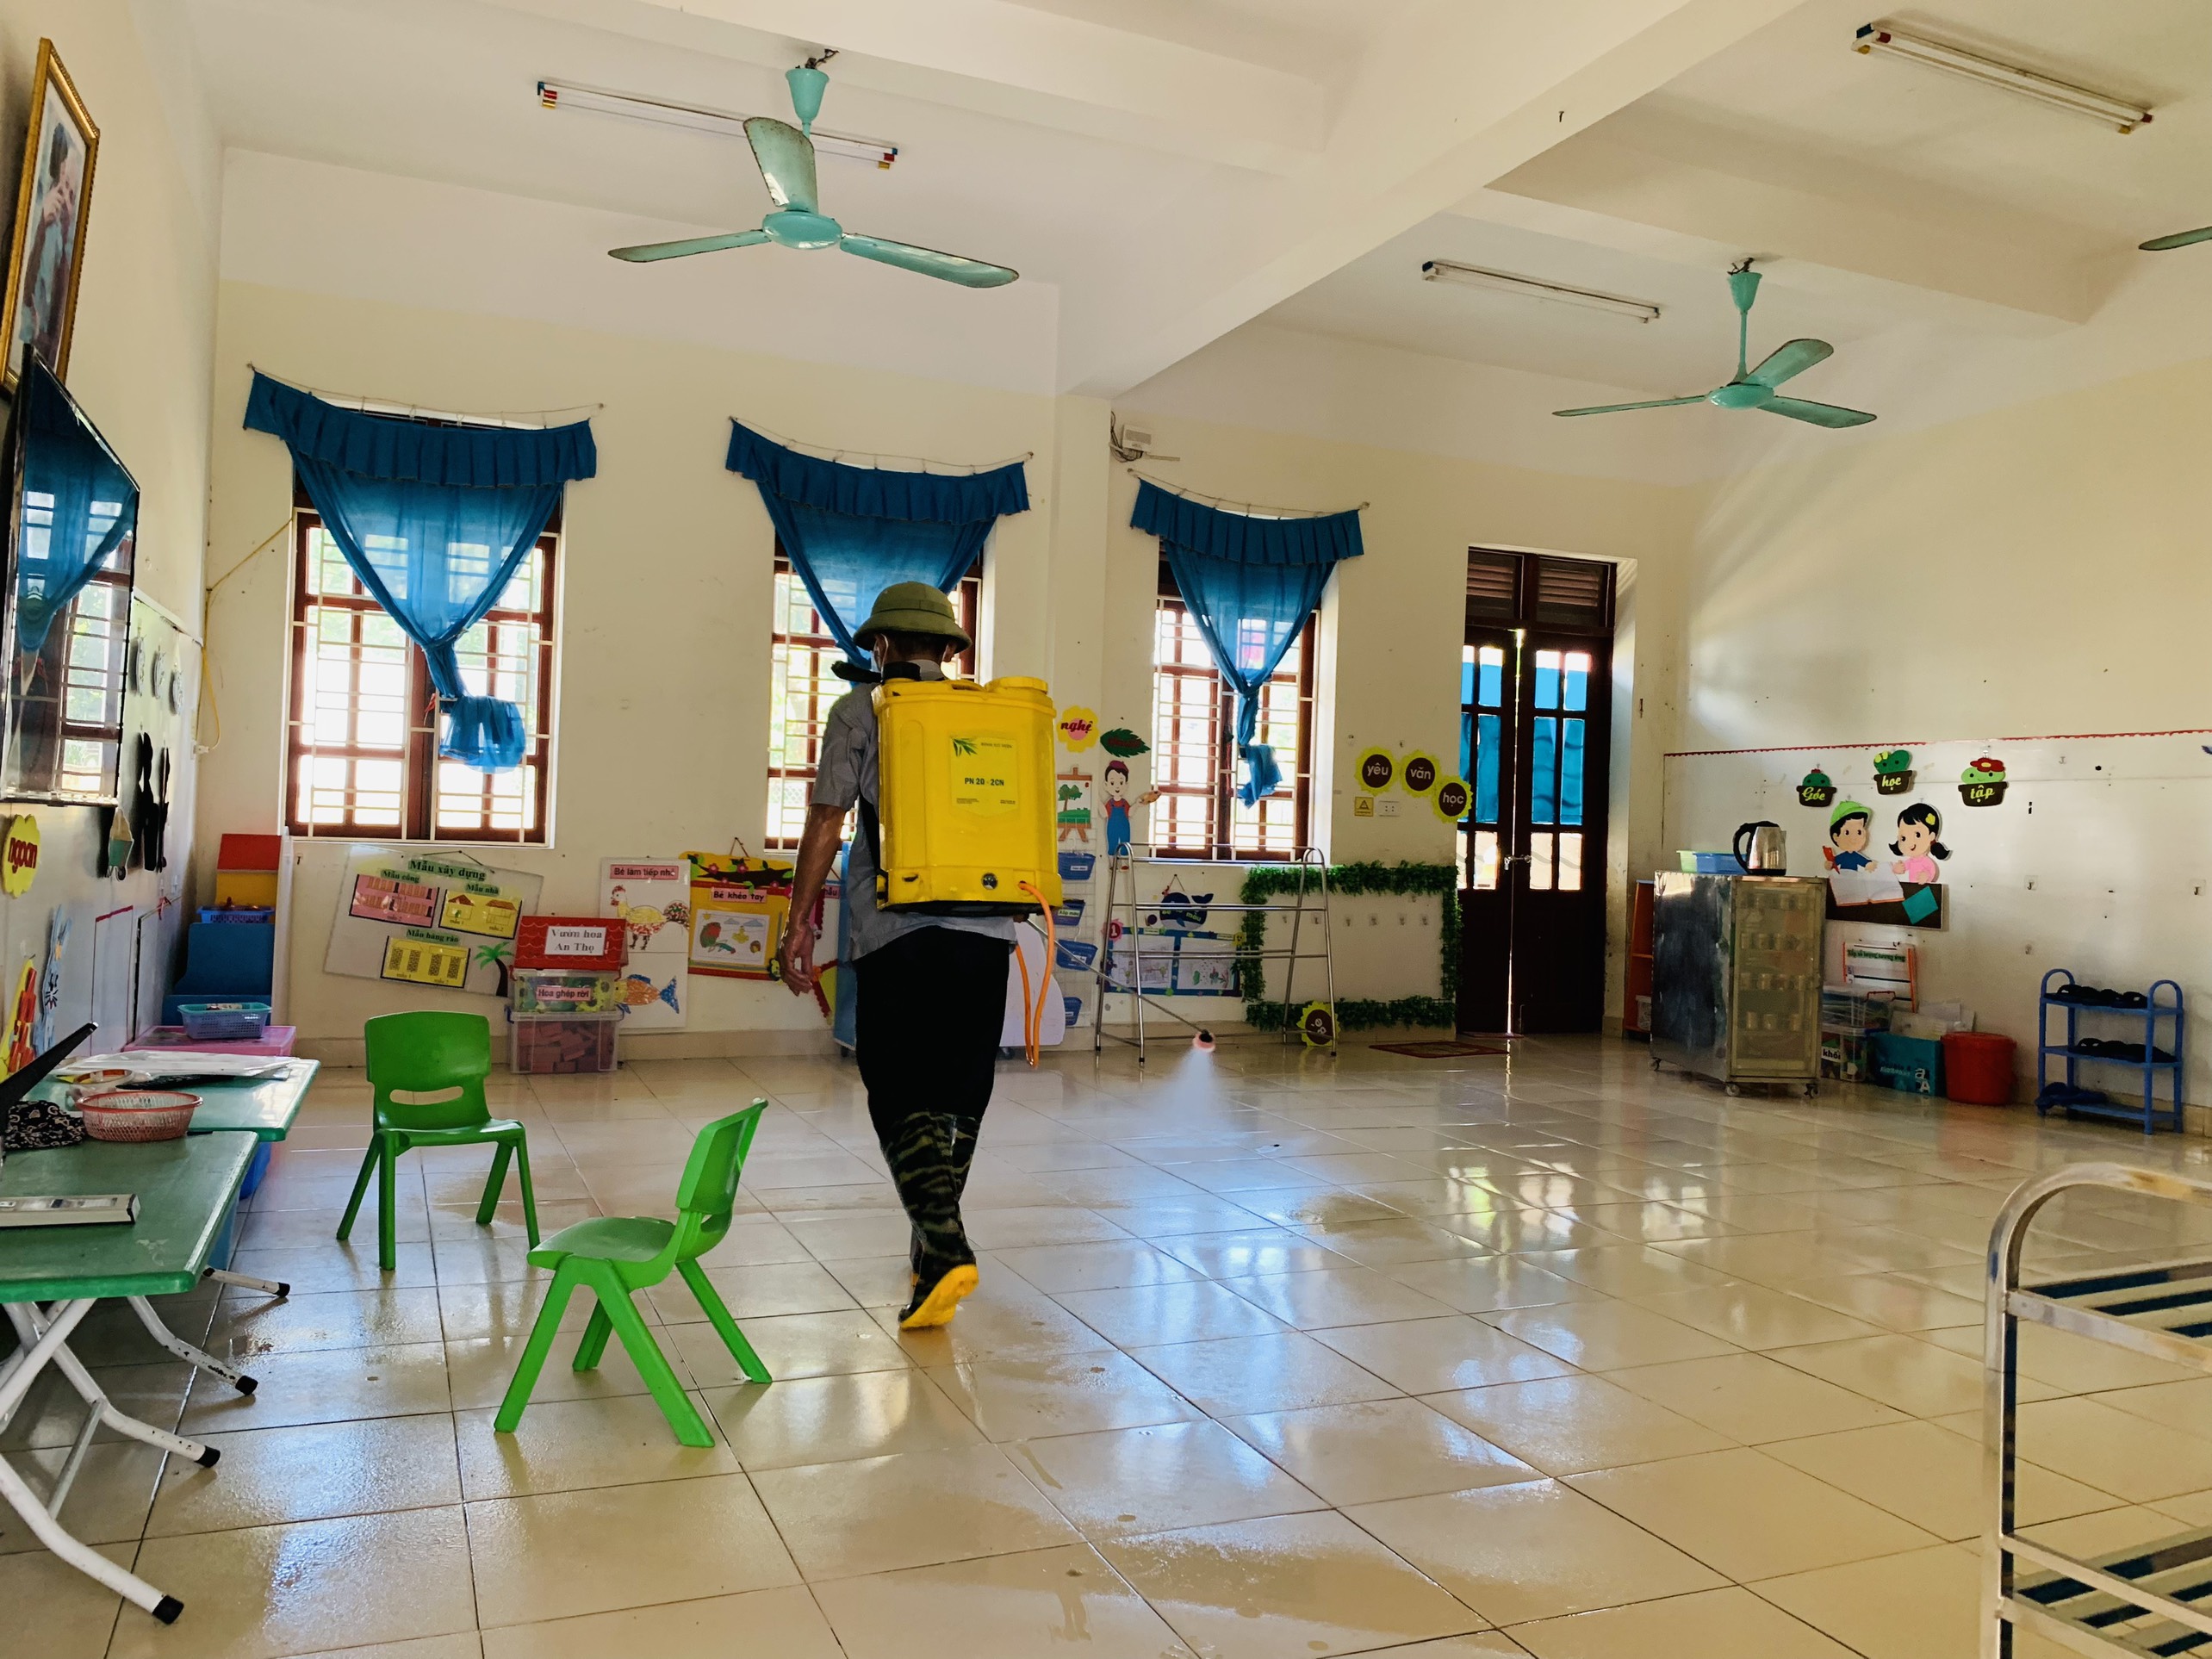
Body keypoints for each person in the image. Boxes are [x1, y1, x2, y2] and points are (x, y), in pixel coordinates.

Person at [778, 581, 1016, 1330]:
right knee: (959, 1092)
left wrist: (798, 923)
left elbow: (826, 821)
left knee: (897, 1087)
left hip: (896, 929)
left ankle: (943, 1249)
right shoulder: (991, 715)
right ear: (949, 649)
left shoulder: (862, 709)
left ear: (879, 645)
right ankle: (930, 1247)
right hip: (989, 929)